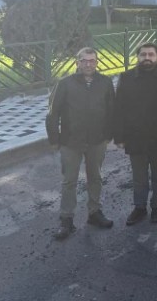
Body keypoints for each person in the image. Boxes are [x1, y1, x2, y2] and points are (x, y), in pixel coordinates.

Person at [46, 47, 115, 240]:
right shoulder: (65, 83)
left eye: (92, 60)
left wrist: (109, 134)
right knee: (69, 181)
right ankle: (66, 219)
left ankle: (94, 213)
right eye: (84, 60)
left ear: (97, 62)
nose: (88, 64)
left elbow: (112, 110)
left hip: (97, 140)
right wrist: (54, 139)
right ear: (77, 62)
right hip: (71, 141)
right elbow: (53, 113)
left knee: (96, 178)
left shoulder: (105, 82)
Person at [114, 42, 157, 226]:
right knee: (139, 176)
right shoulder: (126, 77)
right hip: (134, 137)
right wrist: (119, 137)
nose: (147, 58)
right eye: (143, 55)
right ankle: (140, 207)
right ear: (138, 57)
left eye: (151, 54)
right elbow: (119, 109)